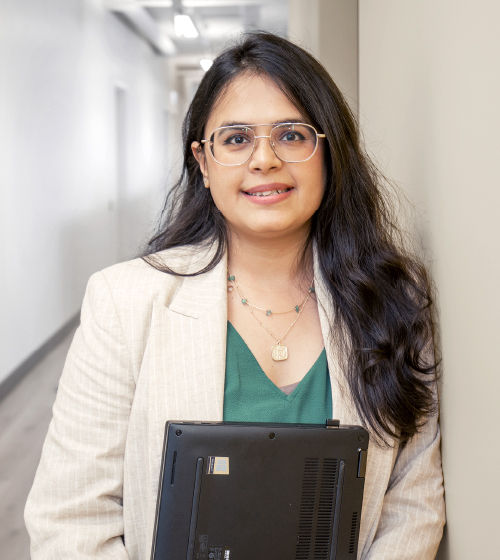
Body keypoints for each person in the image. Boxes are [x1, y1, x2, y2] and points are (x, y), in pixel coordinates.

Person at [25, 32, 445, 559]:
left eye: (292, 136)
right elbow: (70, 522)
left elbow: (414, 501)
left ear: (328, 153)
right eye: (236, 138)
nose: (264, 159)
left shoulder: (391, 301)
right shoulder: (124, 302)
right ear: (203, 162)